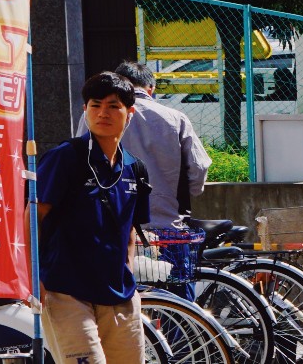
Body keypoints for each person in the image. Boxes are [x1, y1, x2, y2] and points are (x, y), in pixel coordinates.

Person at [40, 72, 155, 364]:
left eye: (113, 106)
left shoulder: (134, 168)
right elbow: (32, 217)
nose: (103, 112)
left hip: (120, 295)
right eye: (95, 105)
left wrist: (127, 274)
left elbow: (129, 228)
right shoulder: (65, 157)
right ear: (85, 110)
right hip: (67, 293)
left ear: (130, 113)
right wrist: (33, 281)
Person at [79, 60, 211, 230]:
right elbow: (198, 168)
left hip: (109, 223)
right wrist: (174, 197)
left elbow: (81, 162)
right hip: (165, 224)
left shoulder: (94, 116)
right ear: (151, 89)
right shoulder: (175, 118)